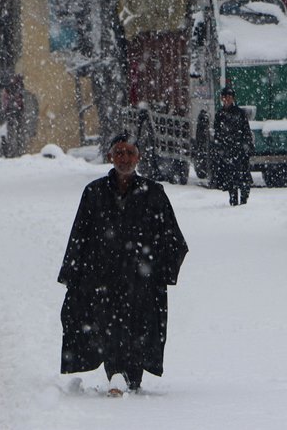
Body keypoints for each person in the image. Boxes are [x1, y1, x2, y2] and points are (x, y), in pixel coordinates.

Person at [58, 133, 188, 395]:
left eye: (129, 153)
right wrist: (74, 274)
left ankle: (133, 378)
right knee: (108, 327)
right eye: (119, 152)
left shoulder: (153, 194)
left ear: (138, 157)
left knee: (138, 330)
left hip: (141, 281)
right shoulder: (94, 193)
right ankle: (115, 374)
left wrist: (158, 272)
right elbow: (79, 237)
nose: (124, 158)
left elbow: (174, 240)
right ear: (110, 157)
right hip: (103, 279)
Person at [213, 86, 254, 206]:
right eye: (225, 97)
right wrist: (219, 148)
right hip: (227, 150)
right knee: (230, 177)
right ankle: (233, 199)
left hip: (240, 150)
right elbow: (217, 133)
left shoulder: (240, 113)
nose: (227, 100)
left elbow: (246, 130)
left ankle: (244, 200)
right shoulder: (220, 114)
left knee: (243, 176)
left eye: (230, 97)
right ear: (222, 98)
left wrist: (247, 146)